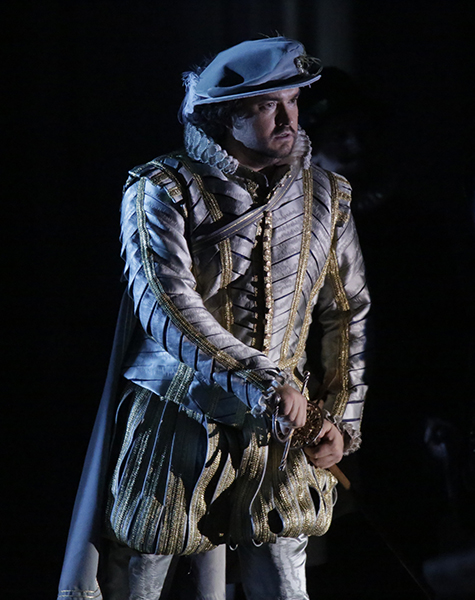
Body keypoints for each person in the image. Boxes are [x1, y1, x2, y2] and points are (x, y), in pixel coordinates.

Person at [57, 37, 370, 600]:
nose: (287, 117)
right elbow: (168, 305)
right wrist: (259, 377)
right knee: (144, 574)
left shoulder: (327, 193)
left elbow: (345, 314)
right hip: (176, 414)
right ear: (226, 114)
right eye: (266, 104)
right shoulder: (163, 187)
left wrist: (342, 420)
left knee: (284, 585)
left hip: (282, 427)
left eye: (293, 100)